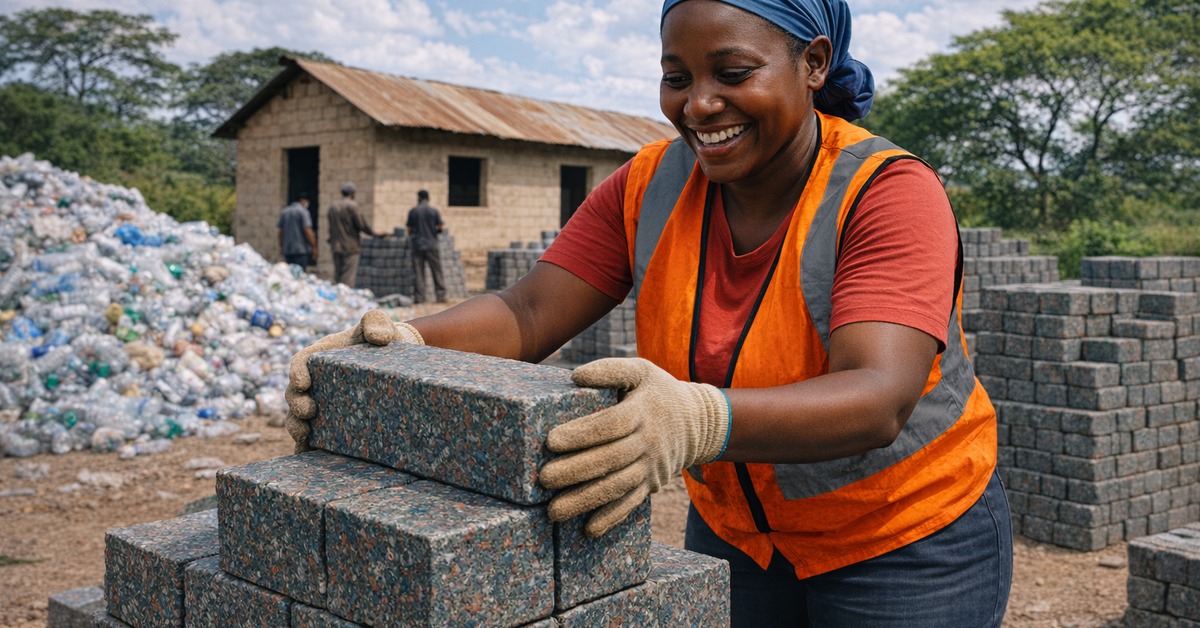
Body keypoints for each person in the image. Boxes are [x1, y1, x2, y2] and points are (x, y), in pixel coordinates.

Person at [285, 1, 1012, 625]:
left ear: (815, 62)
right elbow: (529, 310)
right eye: (676, 78)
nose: (698, 105)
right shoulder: (649, 187)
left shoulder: (886, 194)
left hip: (905, 539)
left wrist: (696, 420)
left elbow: (877, 397)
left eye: (732, 74)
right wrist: (399, 342)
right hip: (741, 535)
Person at [327, 182, 389, 288]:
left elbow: (330, 227)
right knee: (348, 276)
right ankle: (345, 299)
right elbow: (361, 225)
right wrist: (376, 234)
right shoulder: (352, 206)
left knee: (338, 274)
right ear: (352, 194)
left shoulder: (333, 207)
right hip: (350, 246)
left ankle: (337, 297)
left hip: (336, 245)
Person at [405, 190, 447, 303]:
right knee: (437, 271)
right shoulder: (433, 211)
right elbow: (440, 228)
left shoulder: (413, 211)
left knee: (419, 273)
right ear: (428, 198)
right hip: (432, 245)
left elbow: (409, 230)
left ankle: (419, 298)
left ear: (418, 198)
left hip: (418, 245)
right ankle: (441, 296)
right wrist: (433, 230)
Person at [278, 192, 316, 269]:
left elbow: (281, 231)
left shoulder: (285, 211)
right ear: (302, 200)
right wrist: (314, 247)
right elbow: (308, 231)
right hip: (301, 250)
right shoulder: (303, 212)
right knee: (299, 274)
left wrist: (281, 246)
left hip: (288, 249)